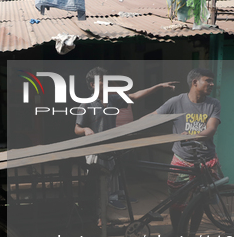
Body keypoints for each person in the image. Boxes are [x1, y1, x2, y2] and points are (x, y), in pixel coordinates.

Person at [75, 66, 177, 217]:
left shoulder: (113, 99)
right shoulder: (86, 104)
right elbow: (77, 128)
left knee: (110, 182)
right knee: (95, 185)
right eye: (104, 81)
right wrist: (85, 130)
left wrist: (158, 86)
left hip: (110, 149)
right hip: (94, 152)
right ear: (93, 85)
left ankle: (104, 214)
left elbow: (134, 96)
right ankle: (93, 216)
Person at [150, 68, 223, 234]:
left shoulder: (213, 104)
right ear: (195, 82)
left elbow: (211, 129)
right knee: (175, 201)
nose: (212, 84)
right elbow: (152, 117)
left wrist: (191, 136)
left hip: (206, 160)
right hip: (181, 159)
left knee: (201, 202)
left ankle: (191, 235)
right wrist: (128, 129)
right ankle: (177, 233)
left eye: (212, 81)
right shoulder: (176, 102)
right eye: (208, 80)